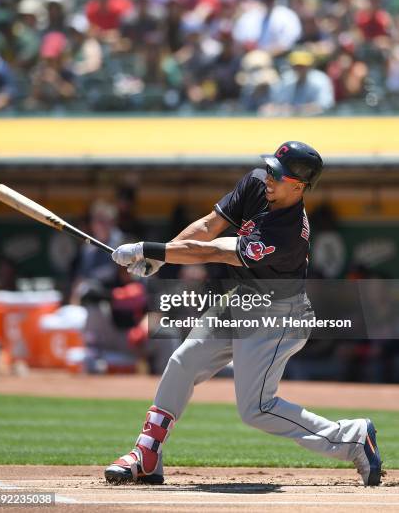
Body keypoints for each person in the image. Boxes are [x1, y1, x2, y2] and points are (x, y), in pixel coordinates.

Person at [104, 141, 383, 488]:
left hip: (279, 314)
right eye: (270, 169)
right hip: (242, 301)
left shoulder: (287, 232)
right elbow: (208, 227)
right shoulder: (256, 183)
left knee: (256, 409)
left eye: (278, 176)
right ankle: (147, 454)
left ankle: (353, 438)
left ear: (298, 186)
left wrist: (152, 250)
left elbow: (216, 252)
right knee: (182, 361)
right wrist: (165, 257)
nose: (269, 177)